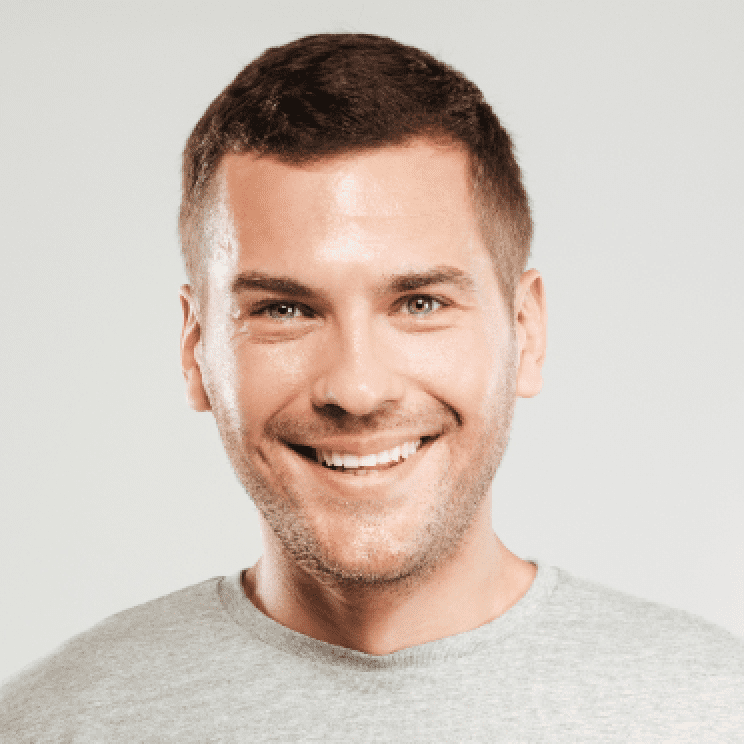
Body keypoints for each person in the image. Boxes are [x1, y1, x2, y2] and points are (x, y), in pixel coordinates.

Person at [1, 32, 742, 742]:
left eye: (420, 303)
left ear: (526, 332)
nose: (356, 390)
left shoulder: (716, 712)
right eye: (284, 310)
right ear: (196, 349)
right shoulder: (48, 727)